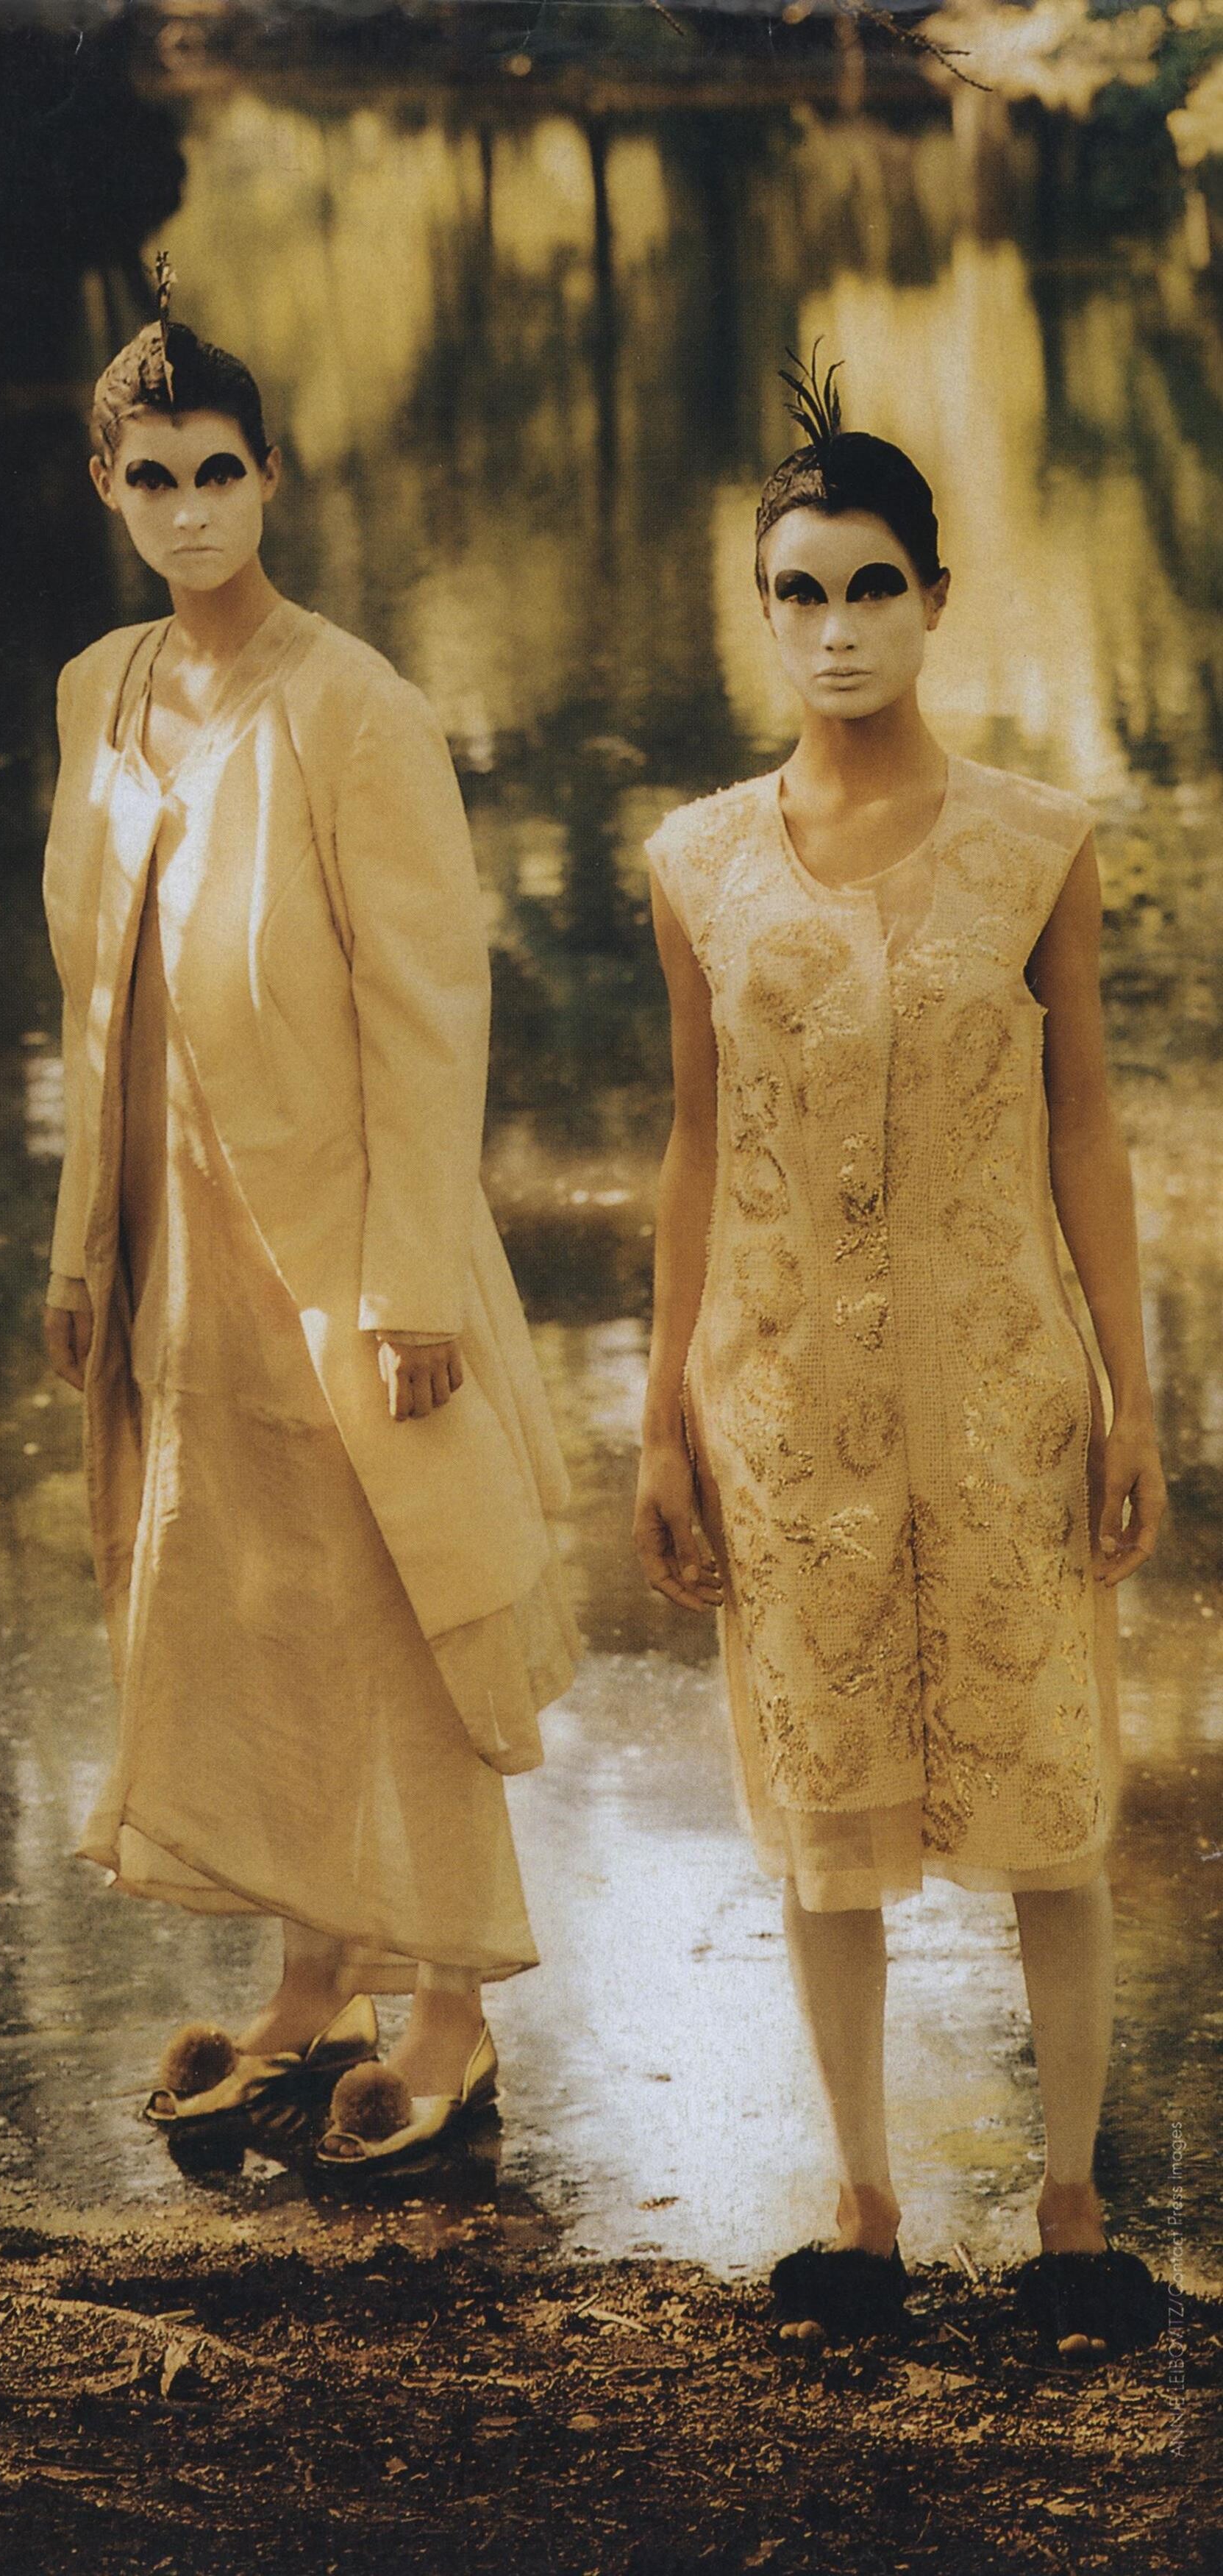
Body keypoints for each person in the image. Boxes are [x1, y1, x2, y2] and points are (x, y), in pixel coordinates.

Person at [634, 354, 1168, 2358]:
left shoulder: (1037, 840)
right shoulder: (697, 863)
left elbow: (1088, 1126)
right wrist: (662, 1416)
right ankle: (860, 2206)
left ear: (937, 599)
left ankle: (1070, 2207)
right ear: (763, 615)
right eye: (801, 593)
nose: (838, 628)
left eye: (873, 587)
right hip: (783, 1402)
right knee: (819, 1801)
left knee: (1050, 1788)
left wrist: (1130, 1394)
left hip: (1007, 1386)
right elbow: (693, 1142)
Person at [41, 281, 577, 2170]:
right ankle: (313, 1983)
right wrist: (80, 1249)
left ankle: (452, 2016)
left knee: (400, 1613)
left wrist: (413, 1284)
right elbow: (94, 1000)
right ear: (106, 488)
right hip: (179, 1251)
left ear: (271, 477)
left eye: (218, 474)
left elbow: (432, 1014)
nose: (189, 510)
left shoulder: (358, 708)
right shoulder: (94, 692)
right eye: (153, 479)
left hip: (350, 1251)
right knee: (246, 1606)